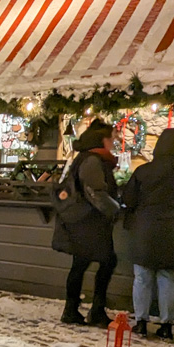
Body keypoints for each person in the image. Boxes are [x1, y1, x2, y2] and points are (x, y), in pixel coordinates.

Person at [122, 128, 174, 340]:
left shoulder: (143, 171)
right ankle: (166, 325)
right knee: (168, 280)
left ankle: (141, 322)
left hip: (144, 231)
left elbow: (129, 199)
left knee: (142, 279)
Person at [52, 119, 120, 325]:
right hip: (89, 223)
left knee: (81, 264)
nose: (114, 142)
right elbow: (95, 192)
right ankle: (94, 310)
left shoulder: (85, 158)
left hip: (82, 222)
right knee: (107, 262)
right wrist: (114, 210)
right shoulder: (92, 160)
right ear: (102, 140)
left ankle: (72, 310)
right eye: (111, 139)